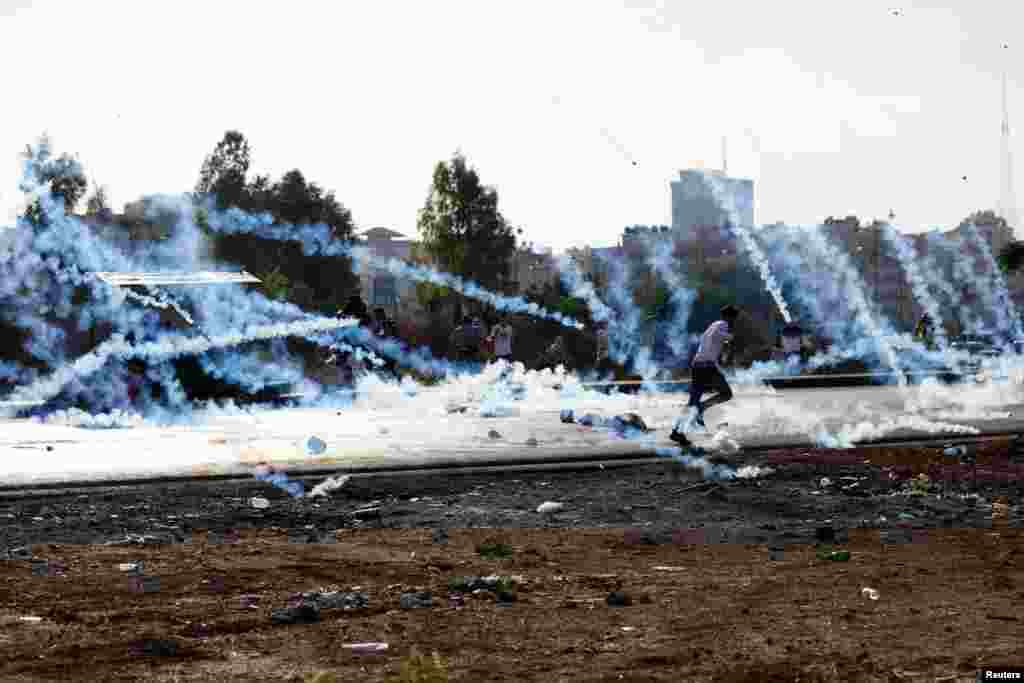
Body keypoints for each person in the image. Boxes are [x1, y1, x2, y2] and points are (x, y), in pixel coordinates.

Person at [671, 305, 740, 447]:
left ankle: (677, 432)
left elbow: (710, 341)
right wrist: (730, 338)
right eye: (734, 318)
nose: (734, 321)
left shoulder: (713, 325)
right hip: (706, 367)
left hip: (699, 365)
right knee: (726, 394)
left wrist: (725, 343)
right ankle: (701, 409)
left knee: (693, 403)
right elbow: (718, 336)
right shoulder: (723, 324)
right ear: (730, 317)